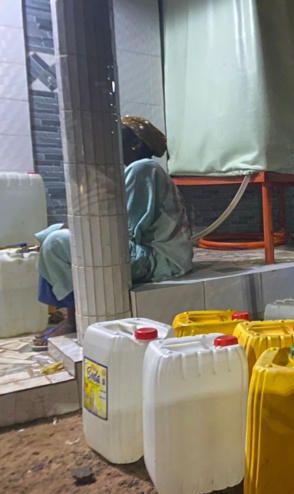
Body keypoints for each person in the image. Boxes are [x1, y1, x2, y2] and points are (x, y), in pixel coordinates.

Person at [32, 116, 193, 348]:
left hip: (160, 259)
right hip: (146, 251)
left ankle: (73, 317)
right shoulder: (136, 170)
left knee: (58, 241)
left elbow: (127, 228)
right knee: (51, 234)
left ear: (136, 144)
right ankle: (69, 309)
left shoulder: (143, 168)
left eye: (119, 135)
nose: (111, 141)